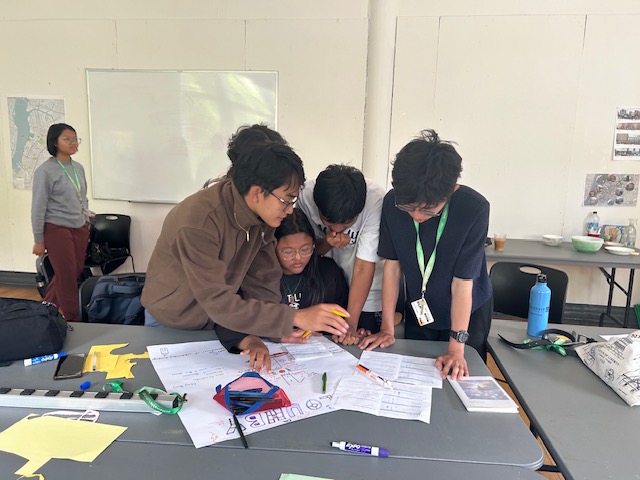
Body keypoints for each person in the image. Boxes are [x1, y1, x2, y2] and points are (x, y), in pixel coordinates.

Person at [141, 129, 349, 371]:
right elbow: (218, 301)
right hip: (172, 323)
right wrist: (294, 317)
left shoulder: (263, 217)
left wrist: (274, 331)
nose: (291, 209)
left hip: (215, 322)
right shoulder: (199, 222)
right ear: (257, 192)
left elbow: (263, 279)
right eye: (286, 200)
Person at [361, 129, 492, 380]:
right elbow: (392, 266)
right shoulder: (393, 203)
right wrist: (387, 327)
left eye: (429, 209)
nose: (417, 216)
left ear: (452, 189)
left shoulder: (473, 209)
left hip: (466, 313)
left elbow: (463, 283)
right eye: (409, 207)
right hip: (420, 309)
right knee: (418, 377)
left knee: (459, 379)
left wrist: (456, 346)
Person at [215, 209, 349, 357]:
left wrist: (344, 332)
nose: (298, 258)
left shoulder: (328, 273)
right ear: (272, 248)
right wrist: (251, 342)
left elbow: (342, 316)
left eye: (305, 249)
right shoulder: (255, 277)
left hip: (315, 356)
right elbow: (227, 319)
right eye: (287, 252)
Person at [297, 165, 385, 345]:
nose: (336, 230)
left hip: (365, 295)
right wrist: (326, 243)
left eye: (346, 224)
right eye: (328, 222)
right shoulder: (305, 196)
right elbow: (310, 254)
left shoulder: (375, 201)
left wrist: (350, 325)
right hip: (327, 290)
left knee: (358, 342)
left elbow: (363, 266)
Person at [31, 123, 91, 322]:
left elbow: (82, 196)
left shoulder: (77, 167)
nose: (73, 143)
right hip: (56, 227)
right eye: (67, 139)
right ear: (55, 142)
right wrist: (39, 239)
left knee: (74, 270)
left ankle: (45, 309)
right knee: (66, 276)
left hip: (79, 226)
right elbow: (38, 207)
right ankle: (75, 320)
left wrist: (85, 216)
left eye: (75, 139)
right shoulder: (45, 171)